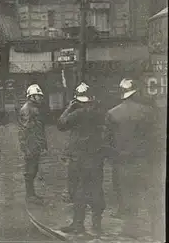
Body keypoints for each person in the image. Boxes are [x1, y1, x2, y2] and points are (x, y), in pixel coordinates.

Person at [103, 78, 161, 239]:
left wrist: (115, 157)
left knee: (128, 195)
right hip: (146, 161)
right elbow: (157, 139)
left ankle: (131, 229)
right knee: (152, 196)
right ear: (136, 93)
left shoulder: (112, 113)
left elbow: (106, 143)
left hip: (123, 162)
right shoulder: (149, 112)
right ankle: (157, 229)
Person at [57, 82, 107, 235]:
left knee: (78, 190)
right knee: (97, 189)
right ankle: (97, 224)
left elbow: (61, 124)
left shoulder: (77, 114)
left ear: (76, 100)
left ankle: (78, 225)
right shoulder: (100, 112)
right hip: (96, 157)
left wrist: (69, 108)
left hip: (79, 158)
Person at [18, 84, 48, 205]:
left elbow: (39, 128)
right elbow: (25, 130)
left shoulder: (33, 108)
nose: (40, 98)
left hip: (35, 144)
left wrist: (43, 144)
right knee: (30, 171)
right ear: (32, 96)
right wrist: (26, 147)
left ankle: (31, 195)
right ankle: (30, 196)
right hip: (31, 144)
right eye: (38, 96)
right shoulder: (27, 109)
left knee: (33, 169)